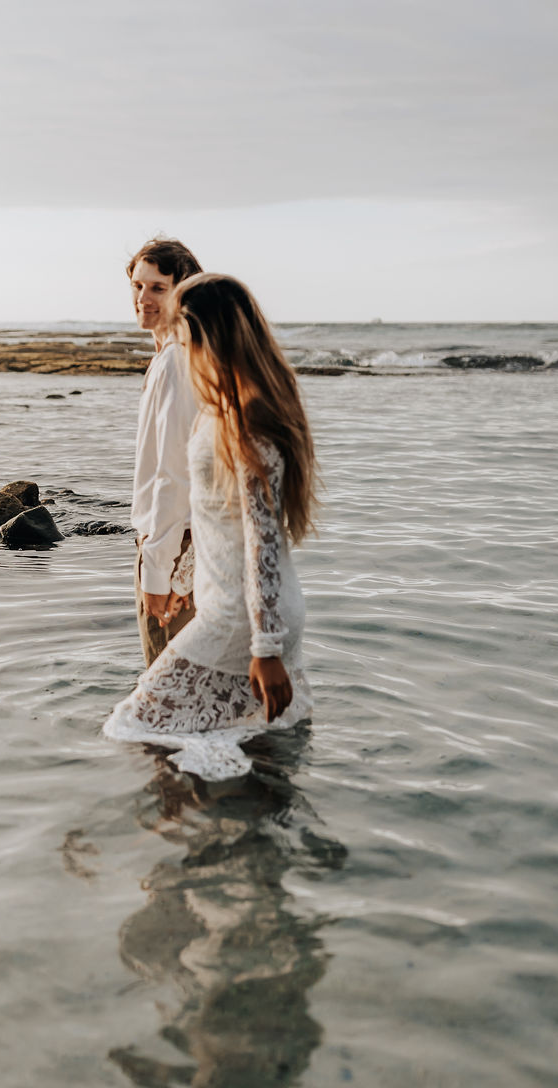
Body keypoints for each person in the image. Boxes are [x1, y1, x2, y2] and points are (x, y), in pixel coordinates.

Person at [105, 273, 317, 779]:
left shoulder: (249, 419)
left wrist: (266, 649)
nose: (178, 346)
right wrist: (182, 580)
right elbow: (216, 518)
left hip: (245, 620)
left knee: (135, 726)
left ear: (205, 335)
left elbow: (263, 541)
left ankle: (187, 818)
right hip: (241, 609)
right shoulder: (224, 405)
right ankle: (236, 817)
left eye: (182, 332)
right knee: (248, 740)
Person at [127, 237, 202, 667]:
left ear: (182, 292)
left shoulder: (176, 361)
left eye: (158, 288)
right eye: (138, 286)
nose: (143, 298)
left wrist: (159, 572)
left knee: (167, 687)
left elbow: (174, 474)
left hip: (174, 549)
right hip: (181, 546)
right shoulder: (173, 357)